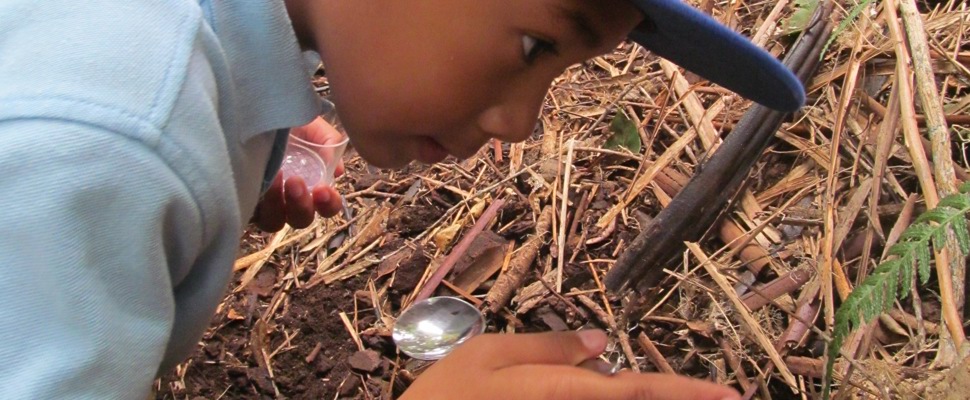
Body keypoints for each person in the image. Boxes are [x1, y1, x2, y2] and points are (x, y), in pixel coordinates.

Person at [0, 0, 803, 398]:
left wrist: (228, 167)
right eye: (535, 45)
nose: (522, 125)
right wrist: (166, 166)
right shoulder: (106, 142)